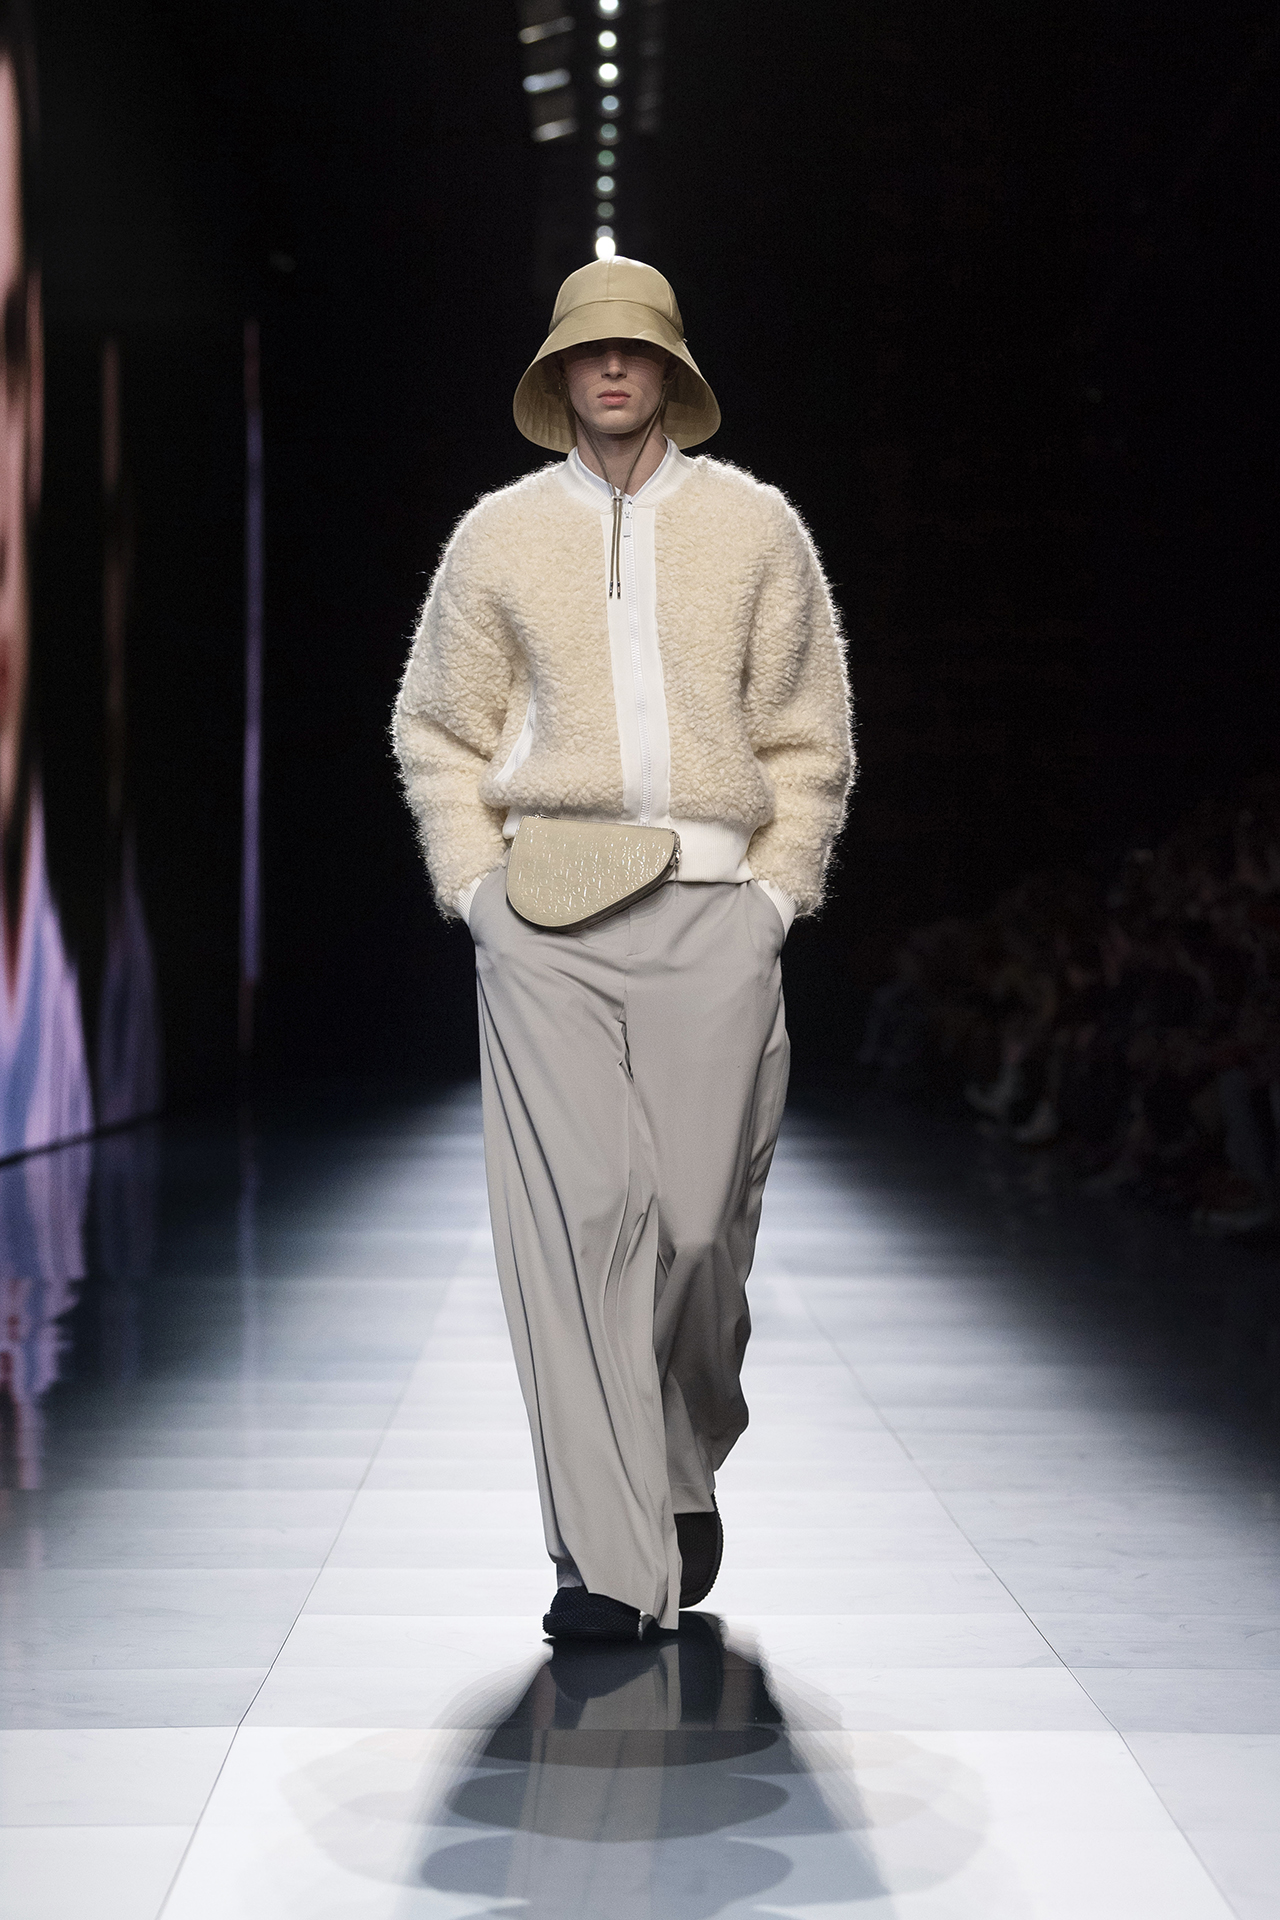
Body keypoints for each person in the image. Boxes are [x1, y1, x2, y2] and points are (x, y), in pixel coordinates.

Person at [394, 258, 853, 1638]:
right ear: (557, 374)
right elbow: (441, 731)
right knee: (581, 1224)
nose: (610, 368)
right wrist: (477, 890)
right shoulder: (497, 537)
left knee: (702, 1226)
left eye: (634, 349)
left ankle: (678, 1454)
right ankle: (603, 1559)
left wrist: (775, 895)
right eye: (587, 350)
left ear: (670, 371)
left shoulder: (757, 528)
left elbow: (807, 734)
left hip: (715, 908)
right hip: (545, 915)